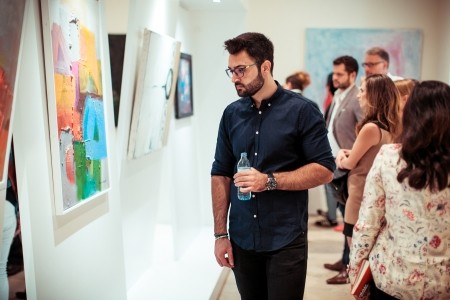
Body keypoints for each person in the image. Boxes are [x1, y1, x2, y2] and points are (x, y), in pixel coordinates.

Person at [211, 32, 335, 300]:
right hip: (242, 238)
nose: (234, 77)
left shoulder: (302, 111)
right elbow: (220, 173)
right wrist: (220, 233)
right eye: (231, 71)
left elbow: (325, 169)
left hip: (286, 238)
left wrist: (268, 181)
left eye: (241, 70)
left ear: (265, 67)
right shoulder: (231, 114)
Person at [349, 80, 450, 299]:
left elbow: (368, 221)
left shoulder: (389, 156)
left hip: (393, 274)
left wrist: (355, 269)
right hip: (442, 281)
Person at [335, 74, 401, 248]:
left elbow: (349, 164)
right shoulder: (389, 127)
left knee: (355, 255)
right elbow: (371, 154)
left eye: (362, 91)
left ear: (373, 96)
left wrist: (341, 155)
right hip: (373, 196)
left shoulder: (370, 128)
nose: (358, 95)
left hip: (358, 195)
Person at [318, 56, 363, 285]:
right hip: (336, 168)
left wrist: (351, 158)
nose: (334, 78)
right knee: (345, 221)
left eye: (339, 74)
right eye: (334, 73)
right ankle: (344, 260)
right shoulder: (338, 95)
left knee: (350, 223)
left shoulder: (357, 98)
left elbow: (365, 135)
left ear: (352, 75)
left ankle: (350, 268)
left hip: (350, 170)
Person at [0, 146, 18, 299]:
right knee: (0, 270)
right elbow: (13, 176)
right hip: (6, 205)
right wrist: (19, 213)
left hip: (6, 207)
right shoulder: (4, 127)